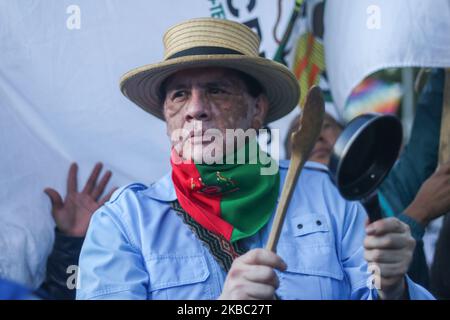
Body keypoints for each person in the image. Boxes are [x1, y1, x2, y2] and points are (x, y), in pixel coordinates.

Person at [76, 18, 433, 300]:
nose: (196, 109)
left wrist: (392, 288)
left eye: (217, 90)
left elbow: (376, 288)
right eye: (179, 95)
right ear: (168, 117)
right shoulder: (123, 222)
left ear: (257, 109)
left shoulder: (329, 195)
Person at [285, 70, 449, 290]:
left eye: (325, 126)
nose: (318, 137)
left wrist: (442, 65)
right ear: (288, 160)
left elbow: (427, 134)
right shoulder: (287, 219)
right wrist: (417, 214)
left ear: (350, 137)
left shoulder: (387, 187)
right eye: (303, 132)